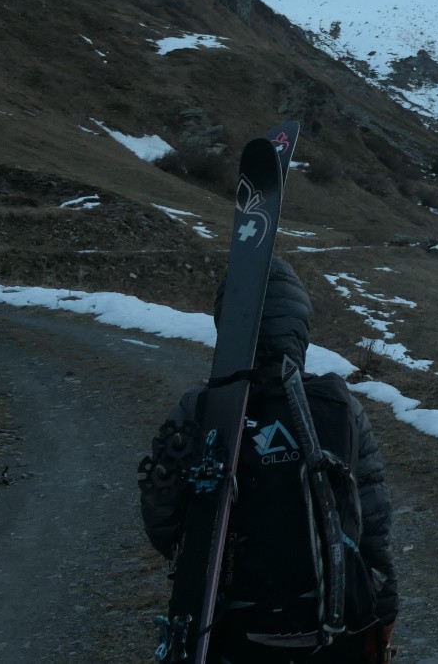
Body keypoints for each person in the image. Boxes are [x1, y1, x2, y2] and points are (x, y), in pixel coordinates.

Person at [139, 257, 398, 663]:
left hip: (229, 626)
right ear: (300, 329)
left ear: (228, 325)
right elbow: (373, 522)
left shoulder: (199, 409)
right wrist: (385, 608)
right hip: (328, 623)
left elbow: (161, 514)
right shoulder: (340, 407)